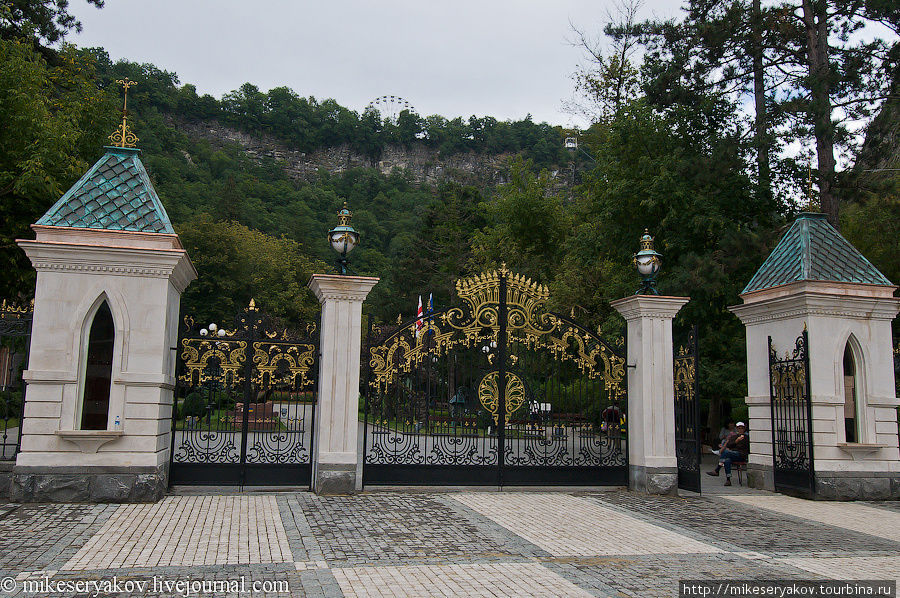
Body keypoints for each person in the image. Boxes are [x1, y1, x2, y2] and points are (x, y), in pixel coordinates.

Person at [706, 421, 749, 486]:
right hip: (733, 454)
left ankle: (717, 469)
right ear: (737, 429)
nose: (740, 430)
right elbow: (729, 445)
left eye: (742, 428)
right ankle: (728, 479)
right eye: (739, 428)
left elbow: (746, 448)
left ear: (744, 429)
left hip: (741, 455)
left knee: (726, 452)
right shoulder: (734, 436)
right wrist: (736, 441)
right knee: (727, 460)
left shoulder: (746, 437)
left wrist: (740, 441)